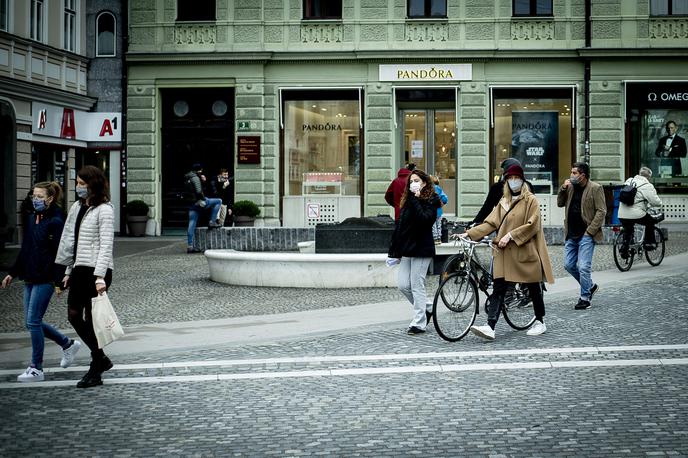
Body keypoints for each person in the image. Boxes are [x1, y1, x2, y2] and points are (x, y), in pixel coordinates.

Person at [2, 182, 82, 382]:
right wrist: (12, 272)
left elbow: (61, 254)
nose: (35, 200)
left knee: (33, 321)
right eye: (33, 196)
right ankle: (67, 344)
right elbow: (26, 249)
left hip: (45, 278)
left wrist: (59, 281)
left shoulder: (56, 221)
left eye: (39, 196)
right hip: (30, 275)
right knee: (32, 323)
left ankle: (36, 367)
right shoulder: (32, 219)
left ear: (50, 198)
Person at [464, 164, 554, 341]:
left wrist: (511, 235)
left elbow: (532, 225)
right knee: (498, 288)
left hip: (525, 251)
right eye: (510, 179)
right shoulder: (503, 201)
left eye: (516, 178)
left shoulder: (531, 200)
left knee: (533, 286)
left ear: (523, 180)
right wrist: (469, 233)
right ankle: (490, 326)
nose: (513, 181)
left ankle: (540, 321)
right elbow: (490, 223)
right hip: (504, 253)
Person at [55, 165, 115, 388]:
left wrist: (100, 277)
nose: (78, 187)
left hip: (96, 270)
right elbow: (72, 243)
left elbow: (106, 245)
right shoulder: (77, 207)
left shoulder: (105, 209)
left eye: (82, 183)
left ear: (94, 184)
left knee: (92, 319)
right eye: (77, 183)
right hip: (80, 268)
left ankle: (95, 369)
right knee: (72, 315)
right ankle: (100, 358)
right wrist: (68, 271)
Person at [388, 169, 441, 335]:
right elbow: (401, 226)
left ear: (424, 182)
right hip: (407, 249)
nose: (413, 184)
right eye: (411, 181)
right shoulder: (408, 199)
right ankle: (427, 307)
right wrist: (394, 251)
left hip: (422, 248)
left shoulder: (432, 199)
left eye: (416, 180)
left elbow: (425, 220)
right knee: (403, 285)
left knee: (417, 285)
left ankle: (419, 322)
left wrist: (417, 200)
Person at [557, 161, 606, 310]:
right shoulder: (570, 187)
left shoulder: (595, 188)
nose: (571, 175)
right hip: (571, 233)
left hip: (586, 233)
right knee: (569, 265)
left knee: (584, 267)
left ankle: (585, 298)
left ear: (582, 175)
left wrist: (590, 231)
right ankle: (590, 286)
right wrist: (562, 189)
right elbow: (560, 203)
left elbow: (601, 211)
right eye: (571, 172)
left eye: (574, 173)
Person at [472, 158, 534, 225]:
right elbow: (487, 209)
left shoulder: (528, 187)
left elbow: (533, 213)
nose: (514, 180)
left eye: (517, 177)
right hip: (503, 227)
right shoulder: (497, 189)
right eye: (511, 177)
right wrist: (475, 224)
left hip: (522, 228)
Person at [618, 166, 662, 257]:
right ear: (648, 177)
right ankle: (649, 244)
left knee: (628, 229)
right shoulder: (647, 185)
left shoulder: (629, 180)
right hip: (636, 214)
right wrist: (659, 204)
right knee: (650, 222)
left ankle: (624, 249)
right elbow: (655, 202)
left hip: (621, 213)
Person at [185, 163, 222, 253]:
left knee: (192, 222)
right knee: (218, 201)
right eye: (201, 170)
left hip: (191, 204)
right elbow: (198, 191)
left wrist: (203, 181)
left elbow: (190, 190)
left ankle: (190, 246)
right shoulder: (195, 178)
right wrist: (203, 200)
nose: (201, 172)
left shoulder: (187, 177)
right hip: (199, 202)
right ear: (198, 170)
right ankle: (212, 222)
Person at [432, 176, 448, 244]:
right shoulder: (439, 189)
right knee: (438, 225)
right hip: (439, 211)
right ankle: (439, 238)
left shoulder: (431, 189)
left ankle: (435, 238)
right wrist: (442, 203)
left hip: (432, 211)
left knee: (433, 225)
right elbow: (445, 199)